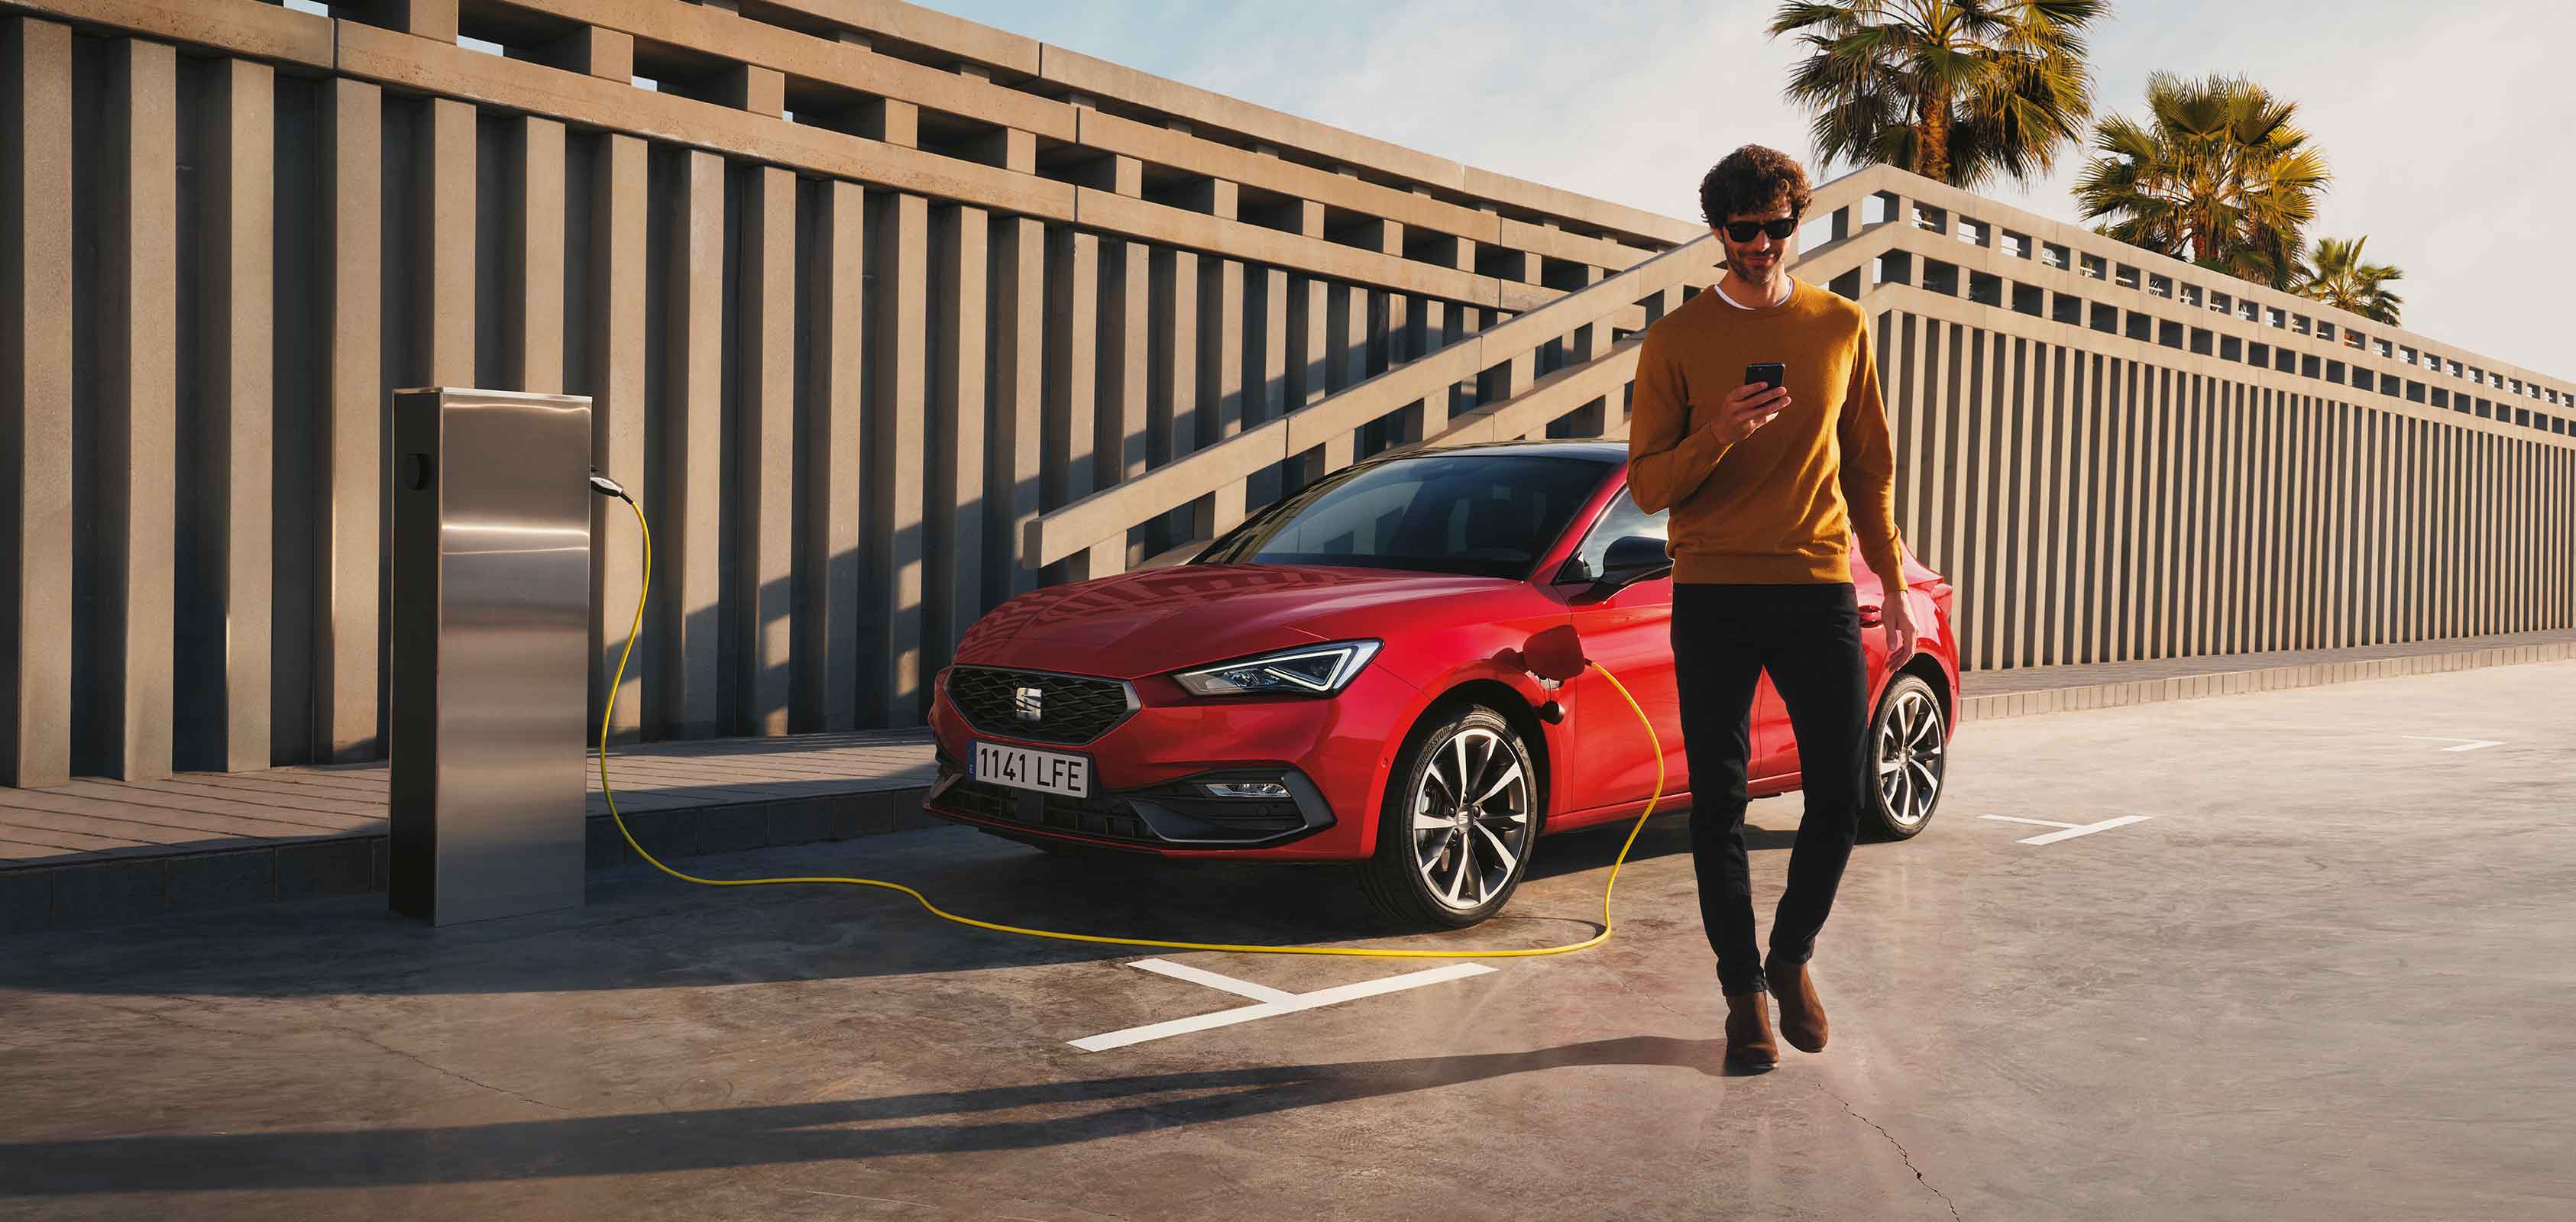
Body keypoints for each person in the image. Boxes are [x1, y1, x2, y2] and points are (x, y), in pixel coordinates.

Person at [1624, 145, 1917, 1069]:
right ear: (1717, 232)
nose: (1760, 245)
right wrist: (1717, 433)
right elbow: (1645, 485)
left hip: (1819, 582)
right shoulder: (1675, 341)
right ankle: (1742, 992)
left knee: (1837, 792)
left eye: (1778, 227)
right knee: (1717, 803)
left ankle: (1790, 958)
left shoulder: (1841, 326)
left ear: (1800, 222)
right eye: (1742, 230)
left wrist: (1896, 586)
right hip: (1712, 590)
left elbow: (1870, 468)